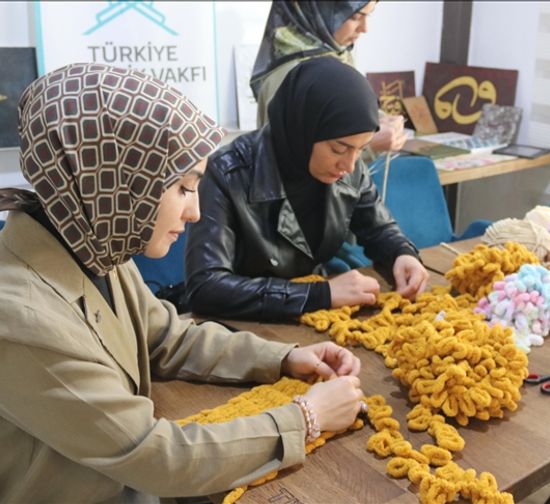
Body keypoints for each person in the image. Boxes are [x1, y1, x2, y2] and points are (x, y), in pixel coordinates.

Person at [0, 63, 366, 501]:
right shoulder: (18, 317)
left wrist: (285, 358)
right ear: (117, 181)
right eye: (182, 188)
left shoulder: (90, 245)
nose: (193, 213)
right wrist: (304, 417)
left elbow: (167, 338)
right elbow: (156, 456)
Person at [185, 56, 429, 322]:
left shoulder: (348, 167)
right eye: (339, 148)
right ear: (304, 128)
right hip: (241, 327)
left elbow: (379, 228)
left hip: (308, 319)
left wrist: (402, 255)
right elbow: (207, 287)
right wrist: (319, 294)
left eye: (361, 149)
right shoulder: (227, 173)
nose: (349, 164)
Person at [251, 0, 406, 156]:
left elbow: (339, 116)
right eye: (355, 17)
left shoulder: (338, 56)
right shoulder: (292, 72)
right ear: (320, 9)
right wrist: (368, 144)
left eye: (367, 16)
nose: (364, 28)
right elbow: (291, 161)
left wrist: (377, 120)